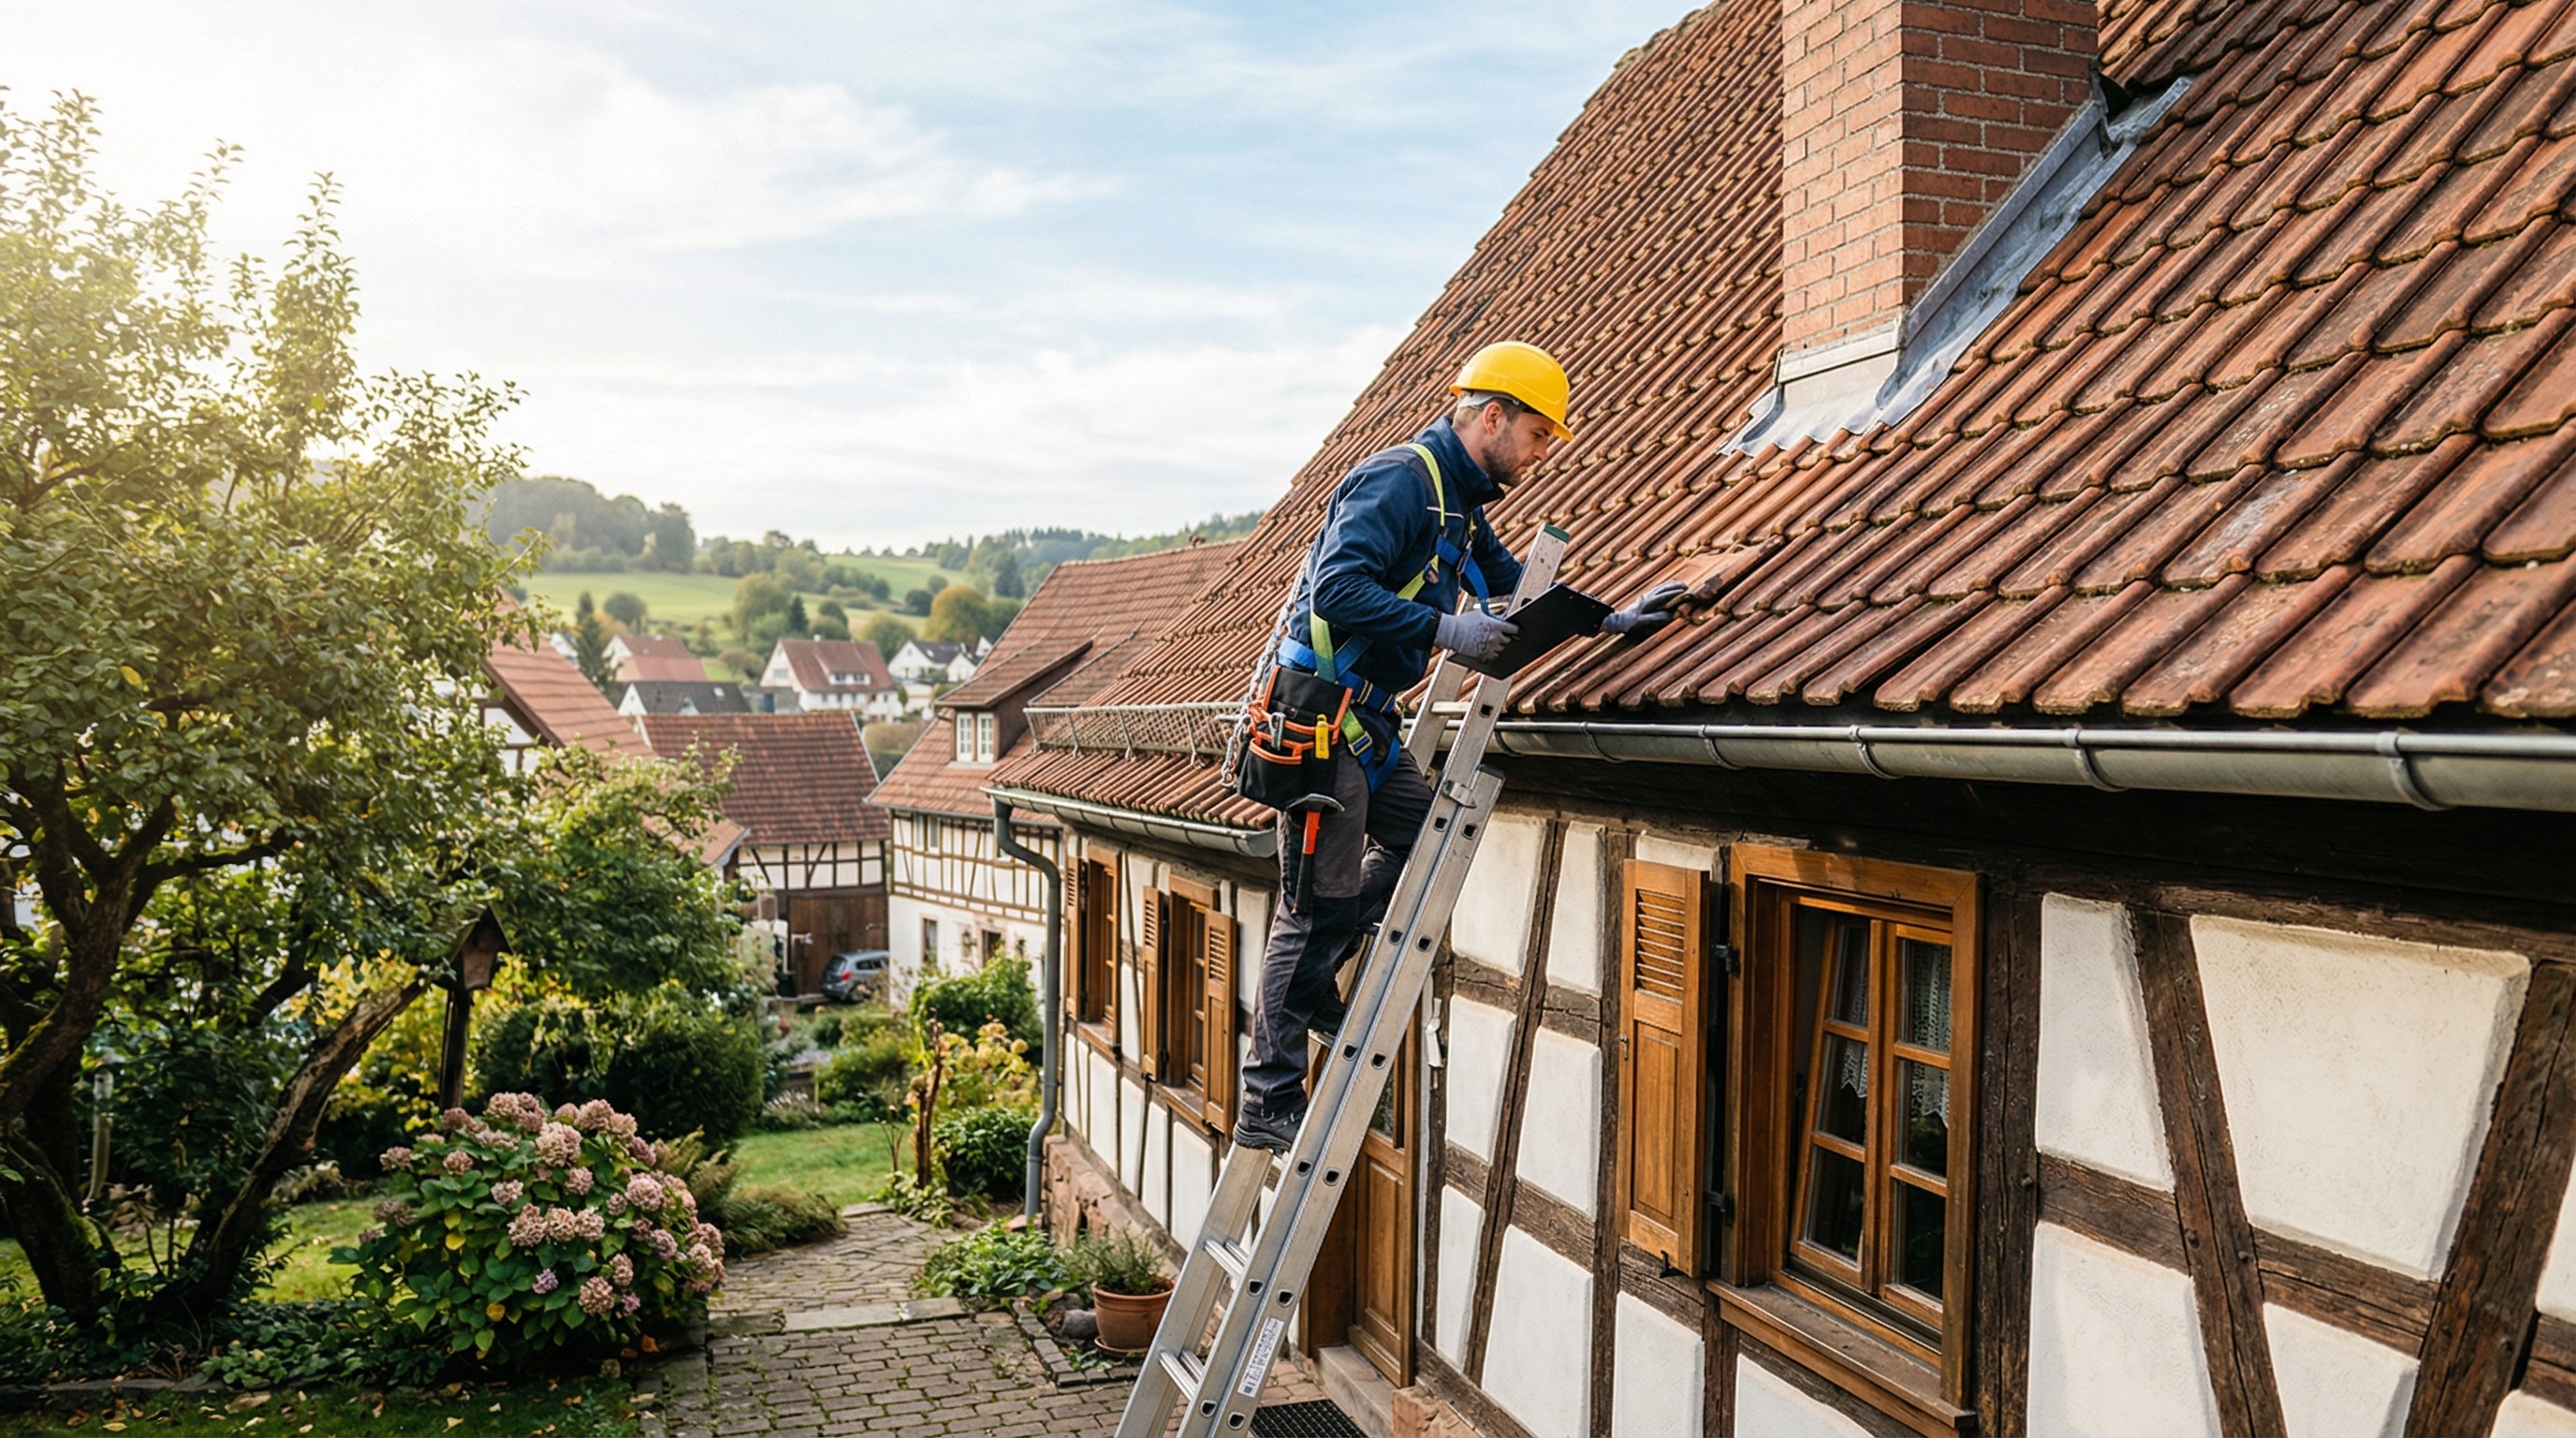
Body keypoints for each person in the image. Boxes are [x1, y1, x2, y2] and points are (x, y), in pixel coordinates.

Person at [1232, 341, 1685, 1152]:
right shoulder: (1401, 481)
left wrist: (1608, 618)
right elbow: (1337, 588)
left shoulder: (1461, 507)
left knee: (1425, 844)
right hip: (1318, 717)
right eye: (1539, 436)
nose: (1541, 455)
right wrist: (1447, 628)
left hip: (1366, 724)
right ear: (1492, 416)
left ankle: (1314, 981)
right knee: (1313, 905)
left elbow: (1516, 592)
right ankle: (1267, 1096)